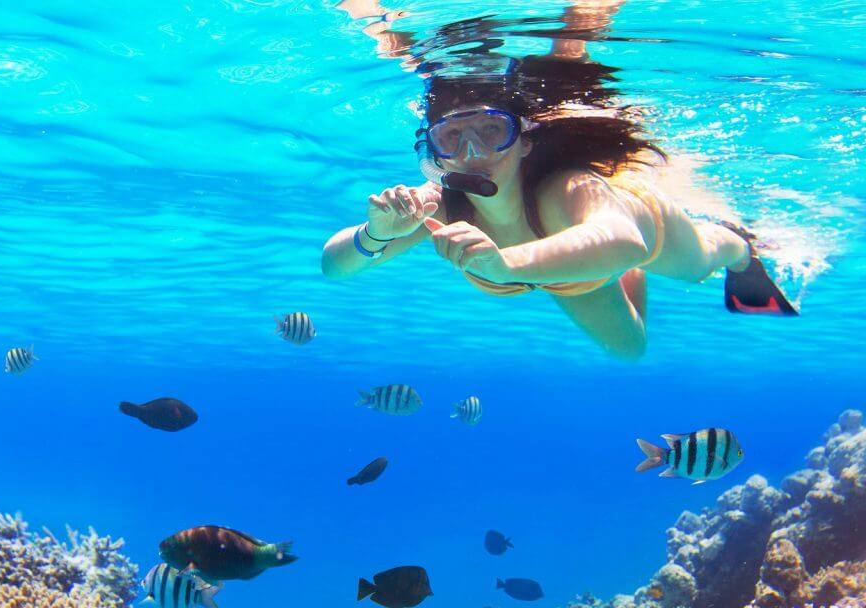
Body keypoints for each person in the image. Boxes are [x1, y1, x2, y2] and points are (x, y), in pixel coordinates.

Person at [321, 25, 798, 359]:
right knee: (630, 350)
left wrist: (505, 264)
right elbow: (333, 267)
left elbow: (626, 241)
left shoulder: (565, 188)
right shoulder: (436, 207)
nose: (472, 151)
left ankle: (740, 246)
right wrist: (375, 234)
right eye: (451, 138)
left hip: (636, 228)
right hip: (567, 271)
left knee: (698, 266)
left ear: (524, 140)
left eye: (491, 131)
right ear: (436, 154)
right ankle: (608, 269)